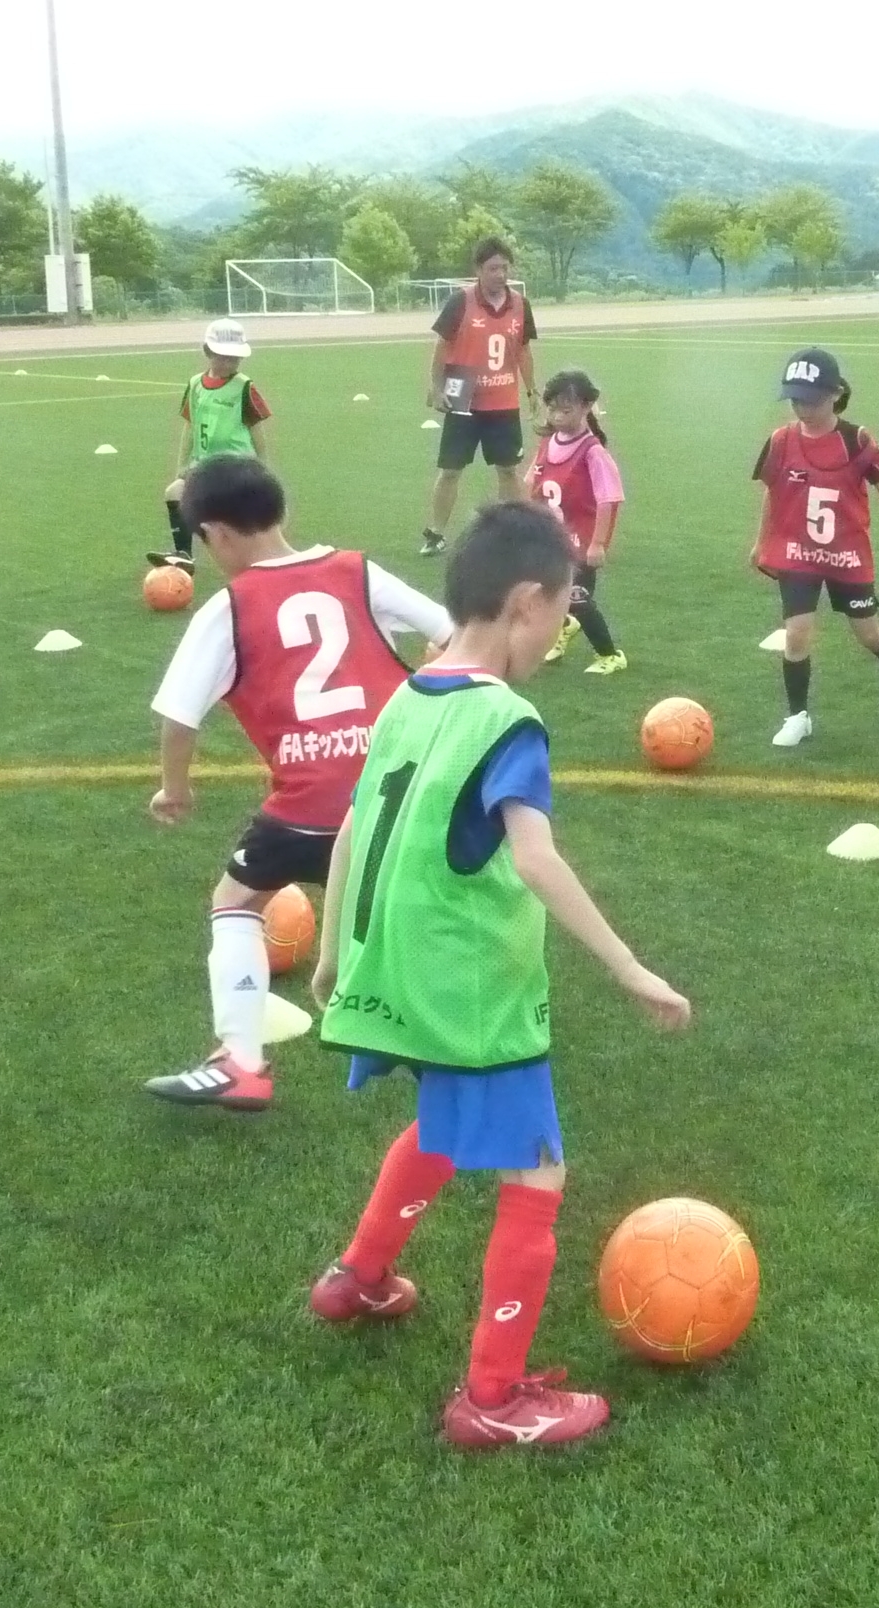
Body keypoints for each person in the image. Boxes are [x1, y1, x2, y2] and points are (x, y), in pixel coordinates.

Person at [306, 501, 692, 1451]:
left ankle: (356, 1279)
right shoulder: (509, 720)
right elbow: (533, 859)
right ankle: (494, 1395)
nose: (561, 632)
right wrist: (631, 967)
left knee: (440, 1128)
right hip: (469, 987)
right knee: (540, 1166)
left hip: (386, 968)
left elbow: (356, 824)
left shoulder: (409, 691)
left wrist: (327, 949)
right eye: (564, 614)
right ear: (526, 602)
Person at [144, 455, 451, 1109]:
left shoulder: (228, 609)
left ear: (217, 535)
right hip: (401, 796)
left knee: (235, 903)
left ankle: (243, 1063)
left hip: (308, 809)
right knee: (406, 920)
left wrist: (175, 788)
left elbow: (176, 715)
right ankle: (450, 1048)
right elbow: (451, 632)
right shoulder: (357, 570)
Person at [753, 347, 879, 748]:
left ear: (835, 393)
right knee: (797, 633)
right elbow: (773, 491)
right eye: (796, 398)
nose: (802, 407)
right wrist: (762, 542)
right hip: (797, 552)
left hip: (847, 554)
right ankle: (797, 716)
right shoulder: (781, 441)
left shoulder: (854, 441)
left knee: (869, 634)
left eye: (812, 398)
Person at [420, 237, 538, 555]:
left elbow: (524, 350)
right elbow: (442, 345)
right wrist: (436, 385)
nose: (500, 274)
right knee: (451, 469)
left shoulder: (520, 305)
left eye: (504, 268)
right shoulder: (461, 301)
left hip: (503, 398)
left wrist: (531, 390)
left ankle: (516, 532)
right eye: (493, 268)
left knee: (508, 469)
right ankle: (436, 532)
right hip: (463, 392)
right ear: (478, 270)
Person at [149, 319, 271, 570]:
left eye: (235, 358)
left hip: (235, 466)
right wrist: (182, 464)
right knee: (174, 492)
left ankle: (259, 556)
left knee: (235, 519)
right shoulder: (195, 385)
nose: (230, 363)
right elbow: (190, 425)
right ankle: (183, 554)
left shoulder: (244, 387)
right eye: (223, 357)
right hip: (203, 465)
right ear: (208, 352)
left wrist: (262, 467)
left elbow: (256, 427)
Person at [526, 369, 627, 674]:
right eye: (552, 408)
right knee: (550, 592)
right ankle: (565, 625)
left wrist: (597, 543)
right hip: (553, 538)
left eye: (566, 409)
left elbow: (608, 498)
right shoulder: (548, 442)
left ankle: (610, 655)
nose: (557, 415)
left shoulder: (592, 452)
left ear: (586, 407)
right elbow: (532, 480)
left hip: (581, 542)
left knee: (579, 597)